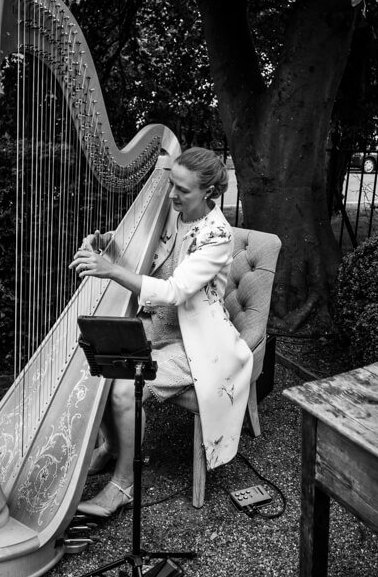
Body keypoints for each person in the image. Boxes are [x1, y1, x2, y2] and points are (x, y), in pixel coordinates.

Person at [68, 147, 253, 517]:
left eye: (182, 190)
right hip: (158, 324)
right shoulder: (171, 211)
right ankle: (112, 445)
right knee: (96, 356)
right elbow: (143, 249)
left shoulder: (217, 236)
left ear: (209, 193)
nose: (172, 195)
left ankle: (123, 485)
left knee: (123, 387)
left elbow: (173, 291)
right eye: (171, 185)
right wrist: (108, 243)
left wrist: (110, 270)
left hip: (197, 340)